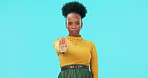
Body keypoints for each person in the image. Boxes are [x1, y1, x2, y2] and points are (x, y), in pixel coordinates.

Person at [54, 1, 98, 78]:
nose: (73, 26)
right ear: (66, 25)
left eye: (77, 23)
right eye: (70, 23)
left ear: (82, 24)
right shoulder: (60, 42)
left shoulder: (90, 45)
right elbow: (58, 47)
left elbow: (95, 72)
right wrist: (61, 50)